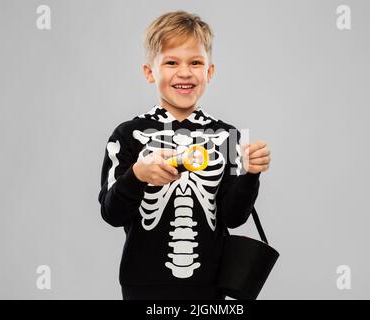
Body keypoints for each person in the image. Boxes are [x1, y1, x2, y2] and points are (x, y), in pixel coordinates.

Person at [98, 10, 271, 300]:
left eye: (195, 62)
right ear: (149, 72)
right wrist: (137, 176)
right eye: (171, 62)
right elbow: (111, 213)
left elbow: (232, 216)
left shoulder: (228, 136)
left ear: (210, 72)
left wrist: (251, 174)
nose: (184, 72)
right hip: (143, 287)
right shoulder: (127, 135)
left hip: (210, 288)